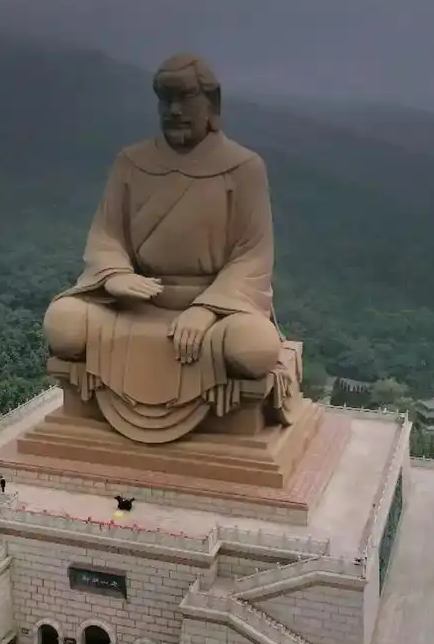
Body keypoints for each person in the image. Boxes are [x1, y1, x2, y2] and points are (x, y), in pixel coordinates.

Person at [43, 54, 296, 445]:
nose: (175, 110)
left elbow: (252, 254)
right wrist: (115, 276)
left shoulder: (244, 168)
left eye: (186, 98)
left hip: (217, 313)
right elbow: (106, 235)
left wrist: (206, 309)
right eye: (166, 100)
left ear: (211, 103)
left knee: (253, 349)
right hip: (137, 303)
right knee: (62, 323)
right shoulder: (131, 162)